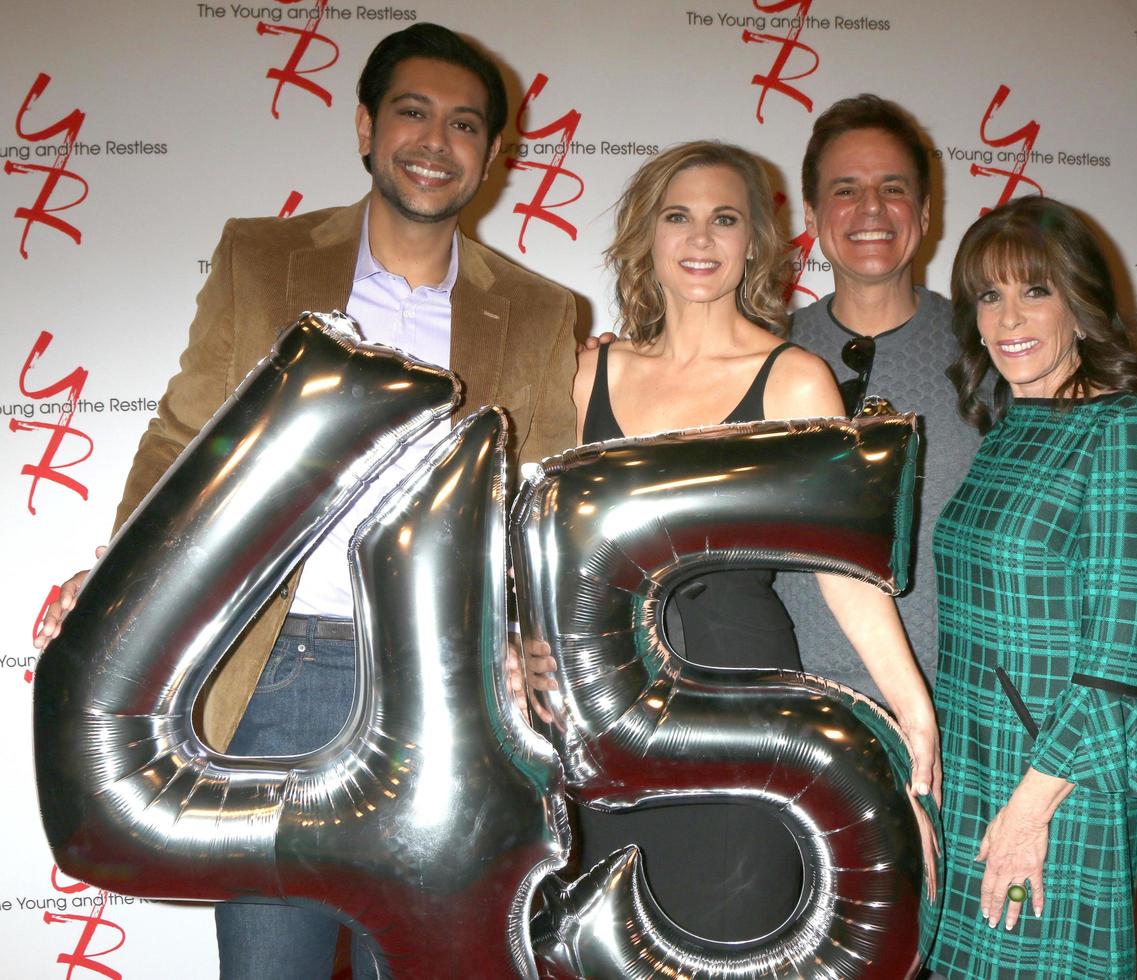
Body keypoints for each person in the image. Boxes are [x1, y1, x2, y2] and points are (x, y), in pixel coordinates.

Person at [32, 24, 577, 979]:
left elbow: (541, 499)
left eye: (462, 125)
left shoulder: (540, 310)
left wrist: (536, 643)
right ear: (365, 125)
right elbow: (183, 436)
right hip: (277, 673)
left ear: (492, 156)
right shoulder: (261, 257)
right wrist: (122, 578)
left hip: (446, 692)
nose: (434, 141)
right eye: (411, 112)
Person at [569, 140, 939, 942]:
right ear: (647, 236)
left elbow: (844, 566)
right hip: (611, 706)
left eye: (724, 219)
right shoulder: (593, 374)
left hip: (746, 696)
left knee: (739, 928)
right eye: (679, 217)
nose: (701, 239)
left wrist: (912, 710)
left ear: (753, 244)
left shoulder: (794, 378)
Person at [930, 196, 1137, 979]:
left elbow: (1116, 669)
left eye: (1034, 290)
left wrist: (1025, 817)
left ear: (1082, 303)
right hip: (972, 773)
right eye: (988, 295)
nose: (1008, 317)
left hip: (1054, 788)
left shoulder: (1122, 432)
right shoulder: (1010, 428)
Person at [775, 94, 979, 702]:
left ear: (925, 210)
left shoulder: (990, 353)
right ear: (811, 214)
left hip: (959, 718)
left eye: (893, 188)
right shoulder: (761, 358)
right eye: (845, 190)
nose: (871, 208)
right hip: (790, 718)